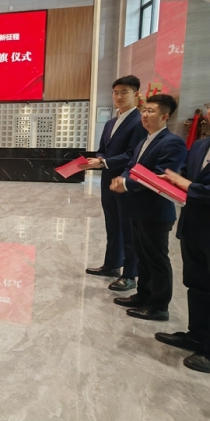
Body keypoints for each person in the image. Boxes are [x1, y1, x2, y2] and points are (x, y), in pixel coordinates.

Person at [110, 94, 187, 321]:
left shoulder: (172, 142)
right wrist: (123, 178)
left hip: (155, 212)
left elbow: (161, 176)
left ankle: (158, 307)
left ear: (164, 116)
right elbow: (132, 167)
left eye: (151, 111)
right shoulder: (145, 140)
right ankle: (143, 296)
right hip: (137, 209)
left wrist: (126, 184)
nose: (144, 115)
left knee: (156, 260)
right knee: (143, 257)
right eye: (144, 110)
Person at [155, 102, 210, 373]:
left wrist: (189, 186)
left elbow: (190, 184)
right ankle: (197, 336)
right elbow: (184, 175)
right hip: (194, 227)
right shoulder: (200, 146)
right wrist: (167, 180)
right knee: (197, 284)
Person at [81, 76, 147, 291]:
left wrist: (103, 162)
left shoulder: (139, 121)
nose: (119, 96)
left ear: (136, 94)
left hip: (125, 182)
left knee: (128, 229)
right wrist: (100, 159)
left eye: (124, 92)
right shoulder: (111, 122)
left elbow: (133, 154)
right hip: (108, 181)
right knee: (113, 225)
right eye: (116, 92)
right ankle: (111, 265)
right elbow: (103, 149)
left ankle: (130, 275)